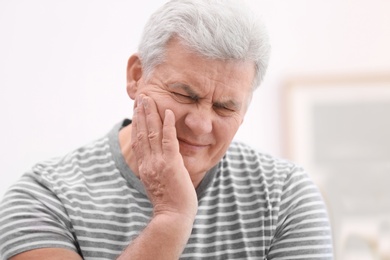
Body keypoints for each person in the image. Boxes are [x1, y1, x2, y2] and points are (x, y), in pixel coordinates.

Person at [0, 0, 334, 259]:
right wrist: (172, 219)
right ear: (136, 76)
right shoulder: (44, 197)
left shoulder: (284, 196)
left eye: (225, 107)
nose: (201, 124)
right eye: (183, 94)